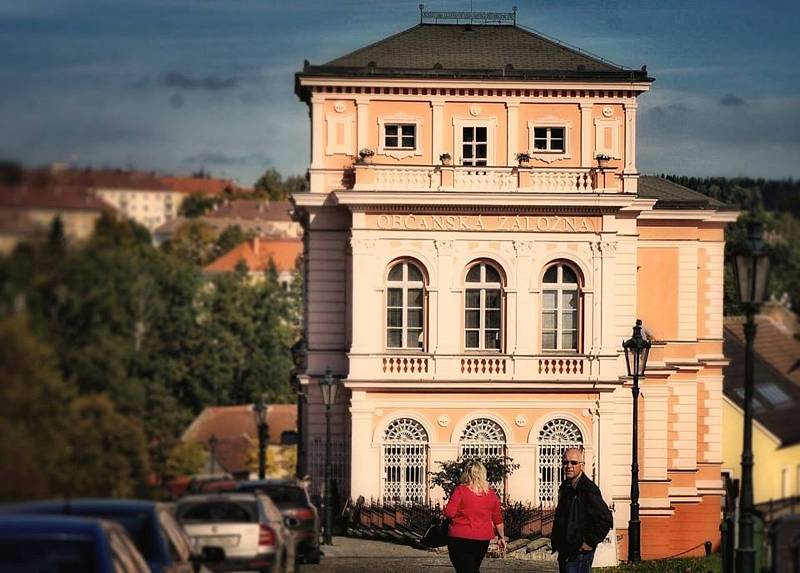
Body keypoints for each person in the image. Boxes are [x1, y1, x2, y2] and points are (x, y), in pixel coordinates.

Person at [550, 447, 613, 573]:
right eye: (565, 462)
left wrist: (589, 542)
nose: (569, 466)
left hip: (579, 553)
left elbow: (605, 519)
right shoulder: (566, 487)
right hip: (566, 550)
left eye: (573, 462)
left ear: (582, 465)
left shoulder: (588, 489)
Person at [443, 461, 506, 573]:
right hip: (482, 540)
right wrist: (501, 537)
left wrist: (445, 508)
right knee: (473, 568)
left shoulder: (460, 490)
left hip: (459, 538)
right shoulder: (491, 494)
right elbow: (498, 519)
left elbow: (449, 513)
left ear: (466, 474)